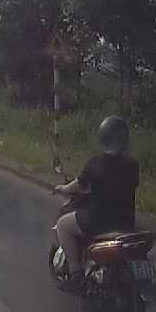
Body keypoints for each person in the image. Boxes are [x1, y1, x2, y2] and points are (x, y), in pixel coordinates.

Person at [52, 116, 140, 290]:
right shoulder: (132, 164)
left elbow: (78, 185)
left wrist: (62, 188)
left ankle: (76, 274)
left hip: (97, 220)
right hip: (125, 222)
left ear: (103, 137)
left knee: (63, 225)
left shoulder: (97, 163)